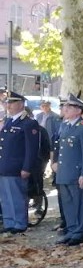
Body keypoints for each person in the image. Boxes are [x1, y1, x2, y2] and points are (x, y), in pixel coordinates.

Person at [52, 93, 83, 246]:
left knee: (79, 202)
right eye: (65, 106)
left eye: (69, 107)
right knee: (68, 203)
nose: (65, 109)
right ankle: (71, 229)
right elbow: (59, 148)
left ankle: (79, 231)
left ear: (78, 110)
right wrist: (55, 162)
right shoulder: (65, 125)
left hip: (77, 172)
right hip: (64, 171)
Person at [0, 91, 40, 234]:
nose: (8, 105)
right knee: (5, 197)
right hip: (5, 166)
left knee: (17, 197)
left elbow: (31, 149)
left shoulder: (28, 123)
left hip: (17, 167)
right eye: (7, 103)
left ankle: (19, 223)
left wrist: (26, 167)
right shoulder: (9, 121)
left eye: (11, 103)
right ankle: (9, 222)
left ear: (21, 104)